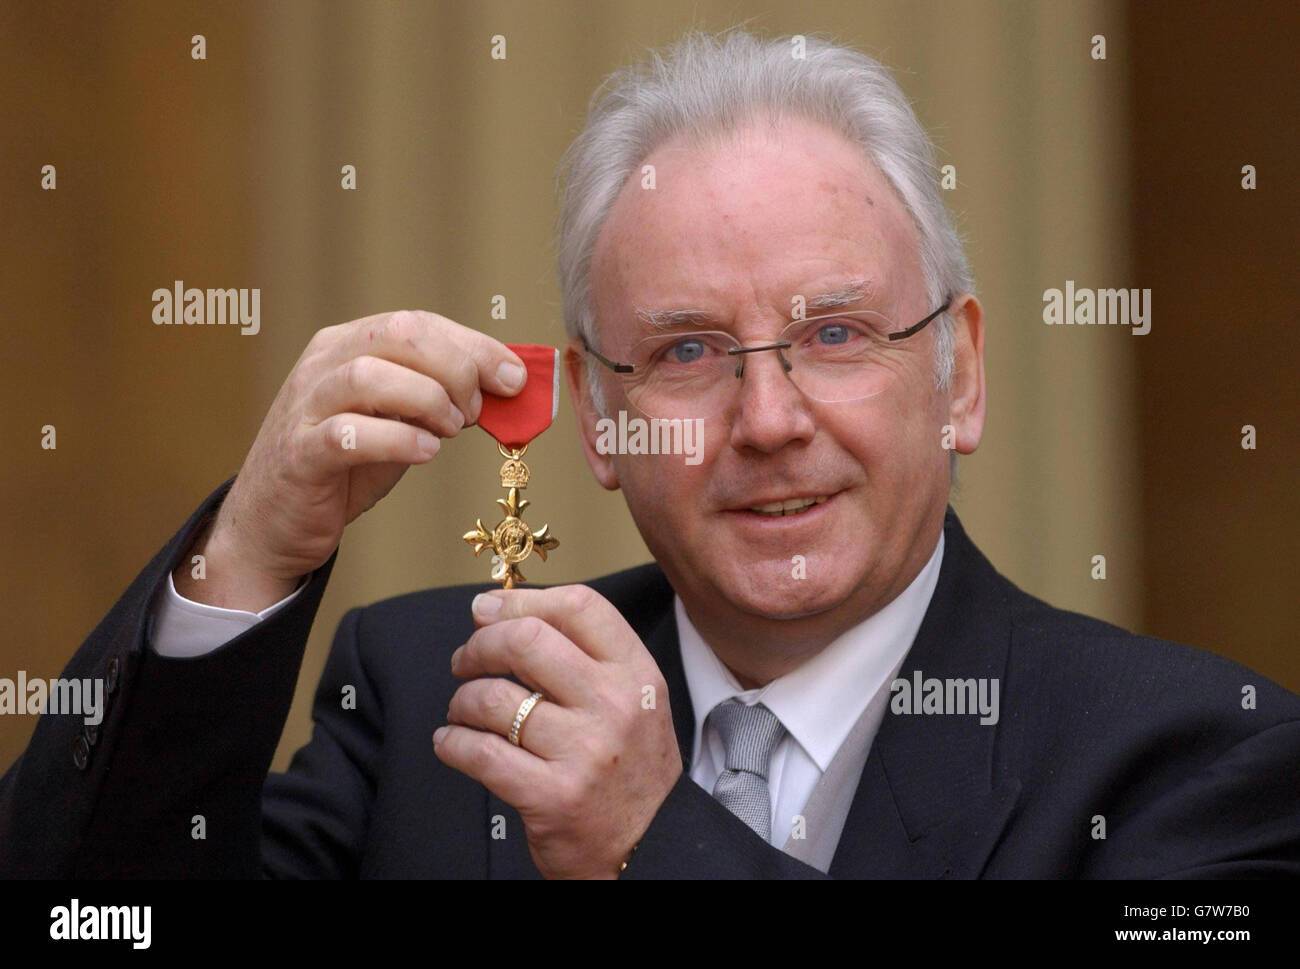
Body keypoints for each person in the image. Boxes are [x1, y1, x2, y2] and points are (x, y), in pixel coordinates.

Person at [2, 29, 1297, 879]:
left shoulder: (1197, 756)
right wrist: (244, 560)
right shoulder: (435, 704)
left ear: (959, 373)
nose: (769, 419)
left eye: (834, 334)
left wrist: (652, 840)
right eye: (686, 351)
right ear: (597, 421)